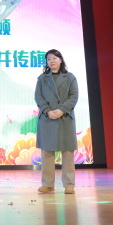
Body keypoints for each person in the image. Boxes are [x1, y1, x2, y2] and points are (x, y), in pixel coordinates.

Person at [34, 49, 79, 194]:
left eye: (54, 58)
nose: (51, 61)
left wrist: (62, 110)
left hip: (65, 117)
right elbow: (38, 97)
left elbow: (74, 96)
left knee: (67, 153)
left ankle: (69, 185)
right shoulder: (42, 78)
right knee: (47, 153)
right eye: (48, 59)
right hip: (47, 118)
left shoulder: (70, 77)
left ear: (60, 60)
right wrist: (48, 110)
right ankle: (47, 185)